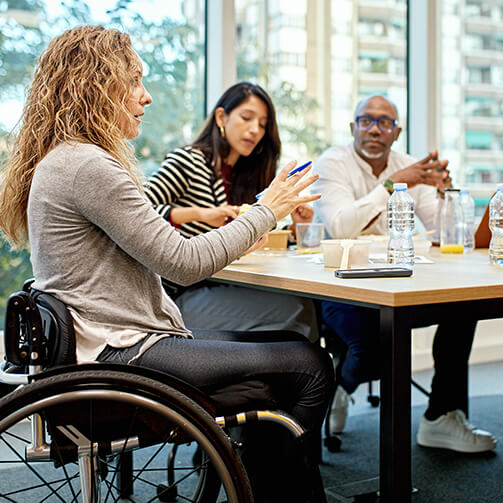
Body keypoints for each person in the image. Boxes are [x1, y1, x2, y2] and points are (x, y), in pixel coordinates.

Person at [0, 26, 334, 502]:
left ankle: (262, 483)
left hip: (104, 344)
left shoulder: (63, 160)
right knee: (308, 363)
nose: (147, 96)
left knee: (286, 351)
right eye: (135, 81)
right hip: (121, 352)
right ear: (97, 83)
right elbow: (184, 263)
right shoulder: (87, 166)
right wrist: (268, 208)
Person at [313, 94, 497, 453]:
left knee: (465, 305)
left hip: (402, 280)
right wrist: (391, 186)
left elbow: (445, 236)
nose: (375, 129)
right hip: (344, 288)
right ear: (352, 127)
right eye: (366, 120)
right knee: (372, 350)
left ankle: (440, 417)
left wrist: (445, 196)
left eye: (385, 122)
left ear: (397, 132)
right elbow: (339, 227)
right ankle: (340, 387)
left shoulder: (410, 165)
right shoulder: (333, 163)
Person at [144, 81, 318, 342]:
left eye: (262, 124)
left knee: (302, 304)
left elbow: (261, 239)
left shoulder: (249, 176)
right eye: (247, 118)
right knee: (297, 311)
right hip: (175, 294)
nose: (254, 130)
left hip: (224, 285)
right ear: (221, 117)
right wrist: (200, 214)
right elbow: (139, 212)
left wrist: (295, 225)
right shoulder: (188, 161)